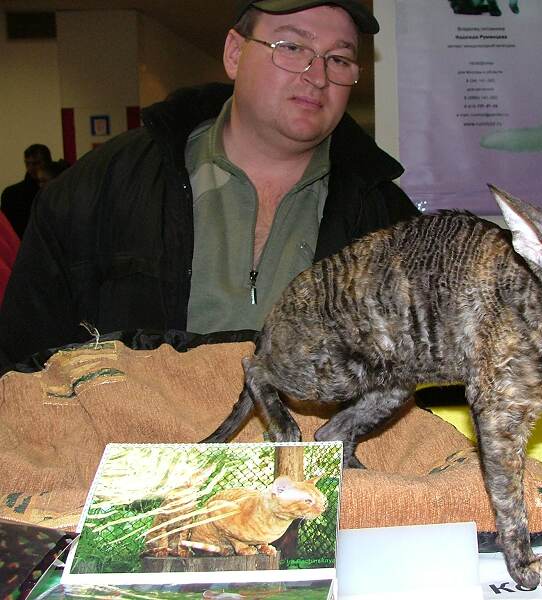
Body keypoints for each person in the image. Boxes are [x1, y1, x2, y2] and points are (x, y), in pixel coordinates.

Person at [0, 0, 419, 368]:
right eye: (292, 47)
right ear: (235, 53)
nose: (318, 76)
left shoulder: (389, 223)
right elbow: (24, 366)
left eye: (339, 59)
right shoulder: (100, 189)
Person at [1, 144, 52, 238]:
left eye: (36, 163)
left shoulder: (11, 194)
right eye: (28, 164)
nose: (31, 168)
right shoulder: (12, 195)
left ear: (47, 163)